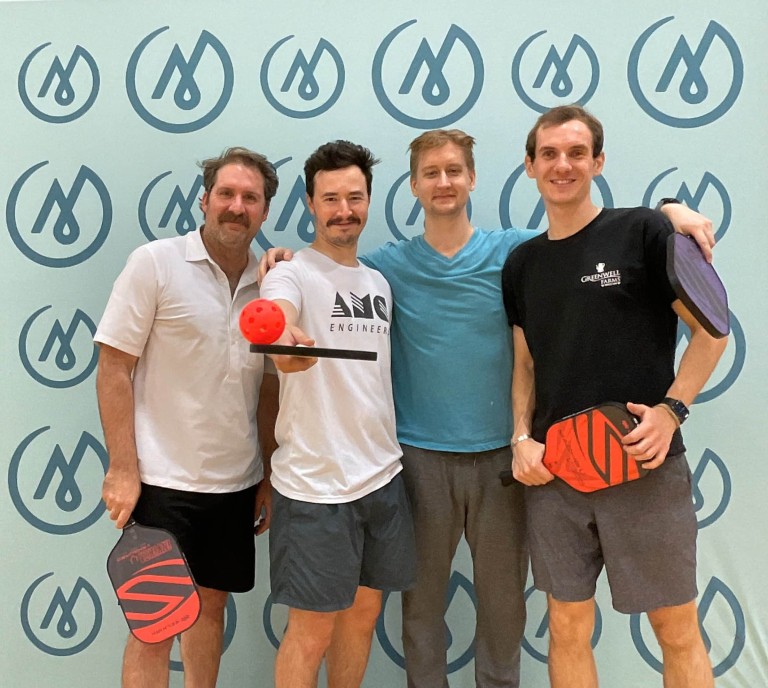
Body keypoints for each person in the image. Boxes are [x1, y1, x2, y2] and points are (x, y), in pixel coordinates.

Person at [260, 131, 715, 688]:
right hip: (418, 461)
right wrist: (280, 259)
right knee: (422, 615)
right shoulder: (382, 270)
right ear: (414, 185)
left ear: (473, 178)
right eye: (431, 172)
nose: (444, 181)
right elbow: (317, 273)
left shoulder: (518, 253)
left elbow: (592, 235)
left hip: (504, 462)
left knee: (504, 614)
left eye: (455, 170)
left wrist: (671, 211)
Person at [501, 104, 726, 688]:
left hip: (643, 465)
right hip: (557, 479)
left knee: (676, 628)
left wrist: (672, 412)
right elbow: (525, 362)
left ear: (598, 161)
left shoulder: (644, 232)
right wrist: (522, 437)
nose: (563, 165)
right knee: (567, 624)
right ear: (529, 166)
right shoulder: (521, 263)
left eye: (577, 153)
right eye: (548, 154)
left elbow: (712, 334)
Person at [95, 147, 280, 688]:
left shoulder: (271, 284)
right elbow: (112, 369)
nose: (236, 206)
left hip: (234, 482)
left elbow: (268, 387)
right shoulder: (155, 263)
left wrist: (267, 474)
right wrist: (123, 469)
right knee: (153, 625)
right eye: (226, 193)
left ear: (265, 212)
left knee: (210, 611)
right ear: (204, 200)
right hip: (159, 481)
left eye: (250, 198)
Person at [259, 140, 416, 688]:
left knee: (363, 617)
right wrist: (282, 338)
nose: (343, 209)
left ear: (369, 200)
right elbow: (276, 319)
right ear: (309, 203)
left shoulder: (378, 283)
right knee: (310, 633)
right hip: (315, 489)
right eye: (330, 198)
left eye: (354, 197)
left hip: (382, 478)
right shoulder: (291, 273)